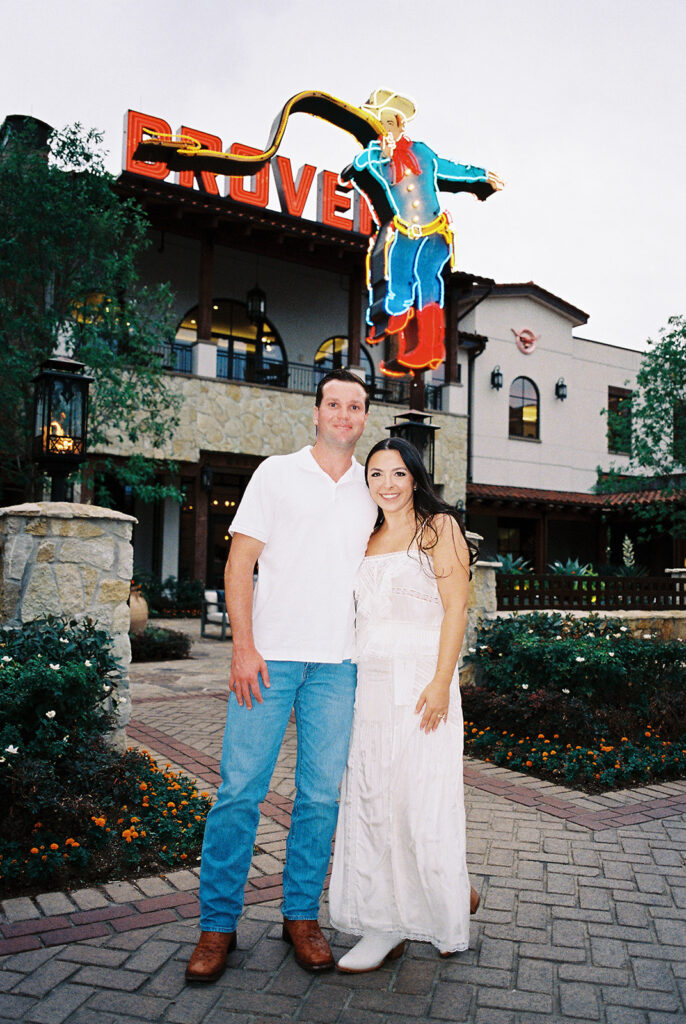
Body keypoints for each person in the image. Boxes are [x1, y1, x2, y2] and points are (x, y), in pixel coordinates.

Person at [185, 369, 378, 982]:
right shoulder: (275, 472)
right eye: (335, 404)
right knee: (240, 791)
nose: (344, 414)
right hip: (267, 662)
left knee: (320, 798)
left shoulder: (372, 491)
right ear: (316, 412)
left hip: (337, 666)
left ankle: (301, 918)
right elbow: (239, 563)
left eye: (356, 406)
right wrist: (243, 647)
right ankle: (216, 926)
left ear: (364, 418)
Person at [329, 436, 479, 971]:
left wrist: (442, 682)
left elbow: (456, 610)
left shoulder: (439, 529)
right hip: (368, 685)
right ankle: (382, 925)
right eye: (376, 474)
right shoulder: (363, 537)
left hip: (421, 683)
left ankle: (445, 906)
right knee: (373, 799)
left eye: (397, 473)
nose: (386, 484)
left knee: (421, 802)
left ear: (415, 477)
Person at [341, 88, 502, 376]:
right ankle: (393, 322)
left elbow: (453, 169)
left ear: (401, 124)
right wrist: (373, 158)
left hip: (433, 232)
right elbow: (360, 164)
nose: (386, 130)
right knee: (398, 283)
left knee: (426, 276)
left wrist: (480, 175)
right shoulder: (377, 157)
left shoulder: (422, 152)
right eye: (380, 124)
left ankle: (428, 346)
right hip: (404, 234)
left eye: (390, 123)